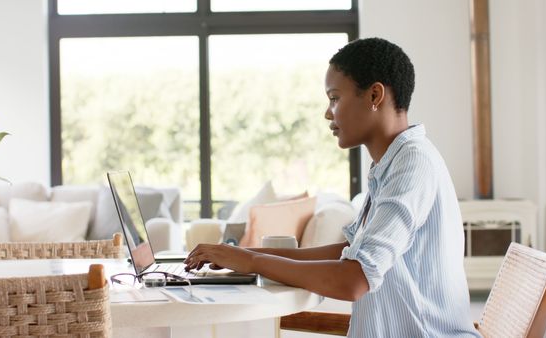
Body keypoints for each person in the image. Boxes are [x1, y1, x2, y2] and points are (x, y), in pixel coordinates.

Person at [184, 37, 480, 337]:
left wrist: (251, 261)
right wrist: (245, 254)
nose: (328, 113)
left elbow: (353, 279)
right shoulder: (391, 165)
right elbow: (350, 254)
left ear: (374, 95)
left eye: (335, 98)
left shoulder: (412, 165)